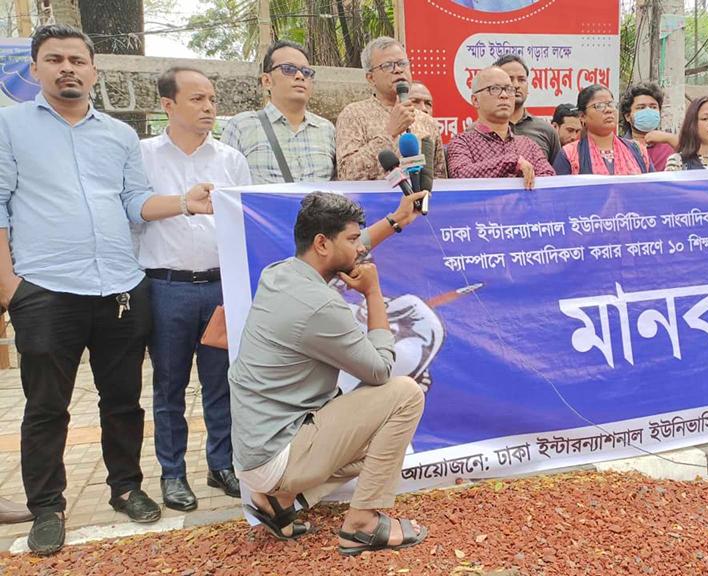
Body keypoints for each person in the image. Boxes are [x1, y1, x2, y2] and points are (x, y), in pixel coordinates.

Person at [0, 24, 215, 556]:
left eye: (77, 59)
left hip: (121, 286)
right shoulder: (9, 127)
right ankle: (47, 507)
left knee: (123, 401)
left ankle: (126, 488)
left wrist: (186, 202)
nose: (67, 67)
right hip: (46, 288)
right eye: (55, 59)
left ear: (94, 70)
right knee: (46, 407)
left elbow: (135, 203)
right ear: (36, 69)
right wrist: (10, 287)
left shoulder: (118, 136)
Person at [229, 192, 428, 554]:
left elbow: (348, 246)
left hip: (254, 453)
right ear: (322, 243)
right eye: (352, 241)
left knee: (379, 436)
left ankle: (277, 501)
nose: (360, 249)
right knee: (404, 395)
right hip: (278, 454)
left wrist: (398, 220)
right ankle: (362, 525)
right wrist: (372, 292)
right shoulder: (320, 305)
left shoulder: (280, 273)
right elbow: (381, 370)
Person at [137, 67, 252, 512]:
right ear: (168, 105)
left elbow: (243, 221)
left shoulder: (229, 160)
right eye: (197, 99)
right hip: (167, 288)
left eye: (212, 99)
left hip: (221, 285)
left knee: (221, 383)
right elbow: (133, 215)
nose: (208, 108)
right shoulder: (142, 156)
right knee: (169, 386)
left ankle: (221, 463)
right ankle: (172, 473)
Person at [221, 41, 335, 184]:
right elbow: (223, 187)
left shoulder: (327, 130)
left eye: (306, 72)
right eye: (289, 69)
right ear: (267, 81)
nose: (300, 76)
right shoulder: (240, 126)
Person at [336, 37, 446, 181]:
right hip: (374, 203)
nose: (398, 70)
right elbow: (347, 174)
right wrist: (389, 134)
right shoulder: (354, 114)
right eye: (387, 65)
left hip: (422, 201)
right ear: (370, 78)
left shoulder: (427, 122)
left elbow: (440, 177)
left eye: (402, 63)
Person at [447, 67, 553, 188]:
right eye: (494, 89)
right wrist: (510, 163)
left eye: (509, 89)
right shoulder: (462, 143)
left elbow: (549, 180)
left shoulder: (529, 145)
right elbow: (460, 176)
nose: (504, 95)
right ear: (475, 100)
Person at [553, 85, 654, 175]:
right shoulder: (570, 155)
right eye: (599, 106)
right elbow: (559, 193)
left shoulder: (638, 150)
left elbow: (651, 190)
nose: (608, 110)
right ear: (582, 116)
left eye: (611, 104)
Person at [494, 54, 560, 164]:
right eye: (510, 79)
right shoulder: (479, 131)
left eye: (521, 80)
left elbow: (557, 178)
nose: (516, 85)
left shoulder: (547, 131)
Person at [619, 83, 674, 171]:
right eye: (641, 107)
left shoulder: (670, 146)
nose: (648, 111)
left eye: (653, 107)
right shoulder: (620, 148)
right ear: (627, 116)